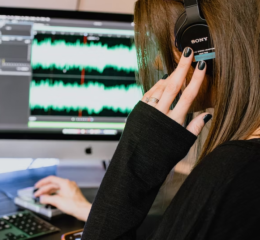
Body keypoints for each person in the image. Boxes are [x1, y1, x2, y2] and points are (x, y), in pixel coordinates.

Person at [79, 0, 260, 239]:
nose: (156, 62)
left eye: (169, 44)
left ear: (201, 41)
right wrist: (91, 211)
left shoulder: (231, 171)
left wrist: (136, 159)